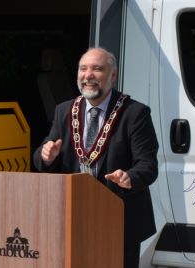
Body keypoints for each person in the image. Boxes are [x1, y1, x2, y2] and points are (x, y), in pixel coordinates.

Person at [33, 47, 159, 268]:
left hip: (119, 219)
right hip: (73, 218)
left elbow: (148, 165)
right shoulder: (64, 111)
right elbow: (43, 155)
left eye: (97, 69)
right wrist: (46, 155)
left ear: (112, 75)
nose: (88, 75)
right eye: (83, 69)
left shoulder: (134, 113)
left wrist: (129, 177)